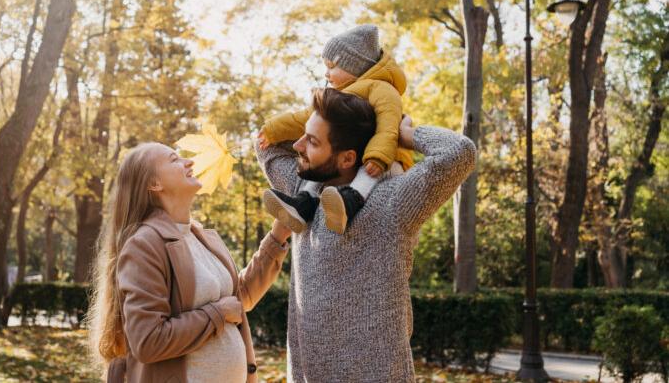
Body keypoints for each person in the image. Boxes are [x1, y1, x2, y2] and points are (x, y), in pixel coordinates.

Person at [255, 88, 477, 382]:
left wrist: (401, 134)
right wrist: (346, 95)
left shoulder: (392, 202)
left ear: (347, 159)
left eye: (312, 141)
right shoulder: (301, 198)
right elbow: (265, 144)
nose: (297, 145)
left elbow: (461, 152)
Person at [87, 142, 292, 383]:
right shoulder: (144, 245)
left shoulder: (202, 237)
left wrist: (277, 237)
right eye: (174, 160)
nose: (189, 162)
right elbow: (148, 340)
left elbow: (239, 299)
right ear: (154, 184)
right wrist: (216, 314)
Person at [258, 24, 414, 234]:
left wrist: (378, 156)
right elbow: (306, 119)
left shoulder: (383, 90)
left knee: (367, 171)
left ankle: (352, 200)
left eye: (332, 66)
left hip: (385, 158)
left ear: (355, 67)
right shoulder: (341, 94)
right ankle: (304, 204)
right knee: (321, 162)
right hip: (354, 155)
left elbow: (388, 126)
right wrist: (273, 129)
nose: (326, 73)